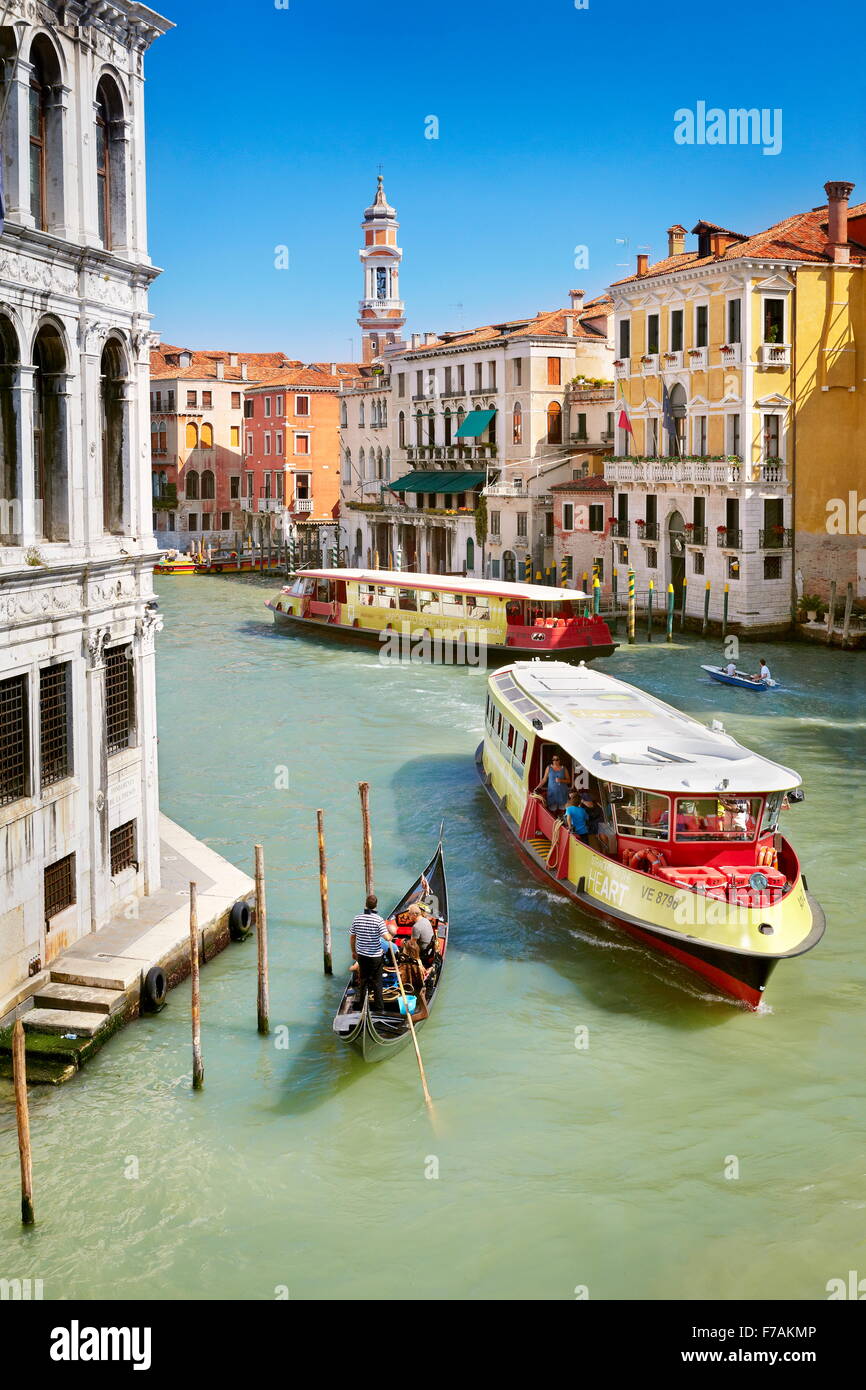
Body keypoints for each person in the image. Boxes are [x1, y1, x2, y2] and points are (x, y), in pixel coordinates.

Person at [350, 893, 392, 1013]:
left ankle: (362, 1006)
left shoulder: (357, 918)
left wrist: (353, 952)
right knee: (377, 982)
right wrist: (389, 936)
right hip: (375, 957)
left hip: (362, 955)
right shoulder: (379, 920)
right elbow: (387, 937)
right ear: (376, 906)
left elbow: (352, 937)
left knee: (363, 981)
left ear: (366, 904)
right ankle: (379, 1009)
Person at [397, 938, 429, 1020]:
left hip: (408, 989)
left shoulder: (403, 965)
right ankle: (410, 1019)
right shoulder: (418, 963)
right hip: (415, 989)